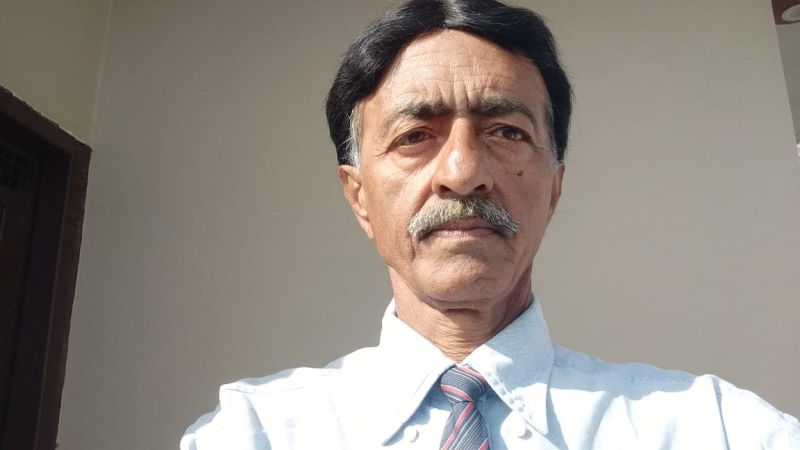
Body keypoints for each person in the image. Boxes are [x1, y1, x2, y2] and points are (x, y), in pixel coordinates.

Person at [181, 0, 800, 448]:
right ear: (359, 195)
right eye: (414, 136)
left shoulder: (714, 427)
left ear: (553, 187)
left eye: (506, 131)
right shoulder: (253, 432)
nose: (462, 172)